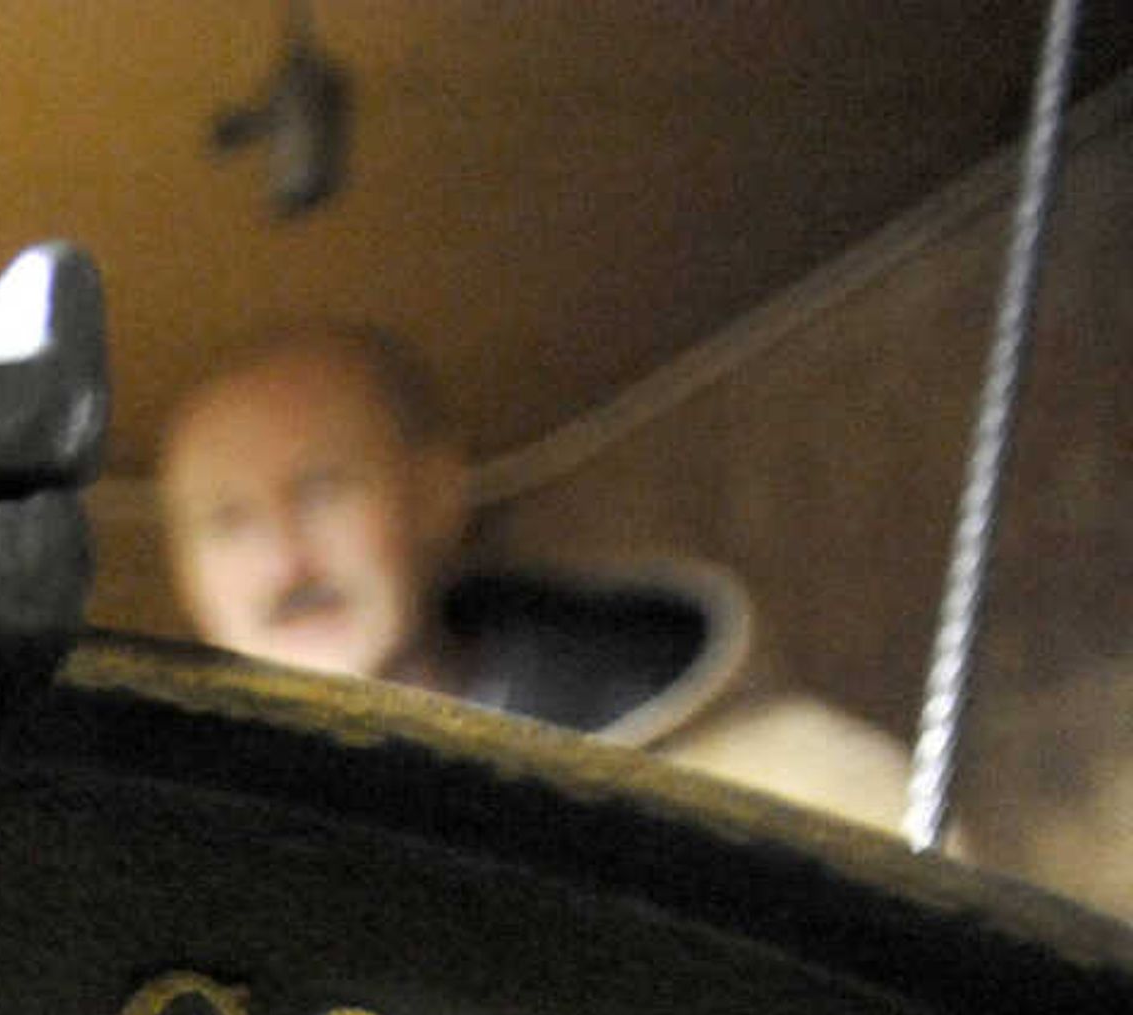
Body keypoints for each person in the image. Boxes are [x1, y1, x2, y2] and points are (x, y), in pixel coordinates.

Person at [156, 325, 916, 833]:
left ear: (434, 495)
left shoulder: (785, 793)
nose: (288, 563)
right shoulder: (156, 846)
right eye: (227, 521)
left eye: (324, 491)